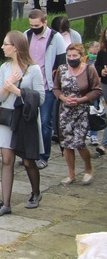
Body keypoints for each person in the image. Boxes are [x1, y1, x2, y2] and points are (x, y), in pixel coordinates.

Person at [0, 31, 45, 217]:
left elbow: (41, 98)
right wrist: (8, 85)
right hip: (7, 117)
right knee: (7, 160)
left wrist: (18, 90)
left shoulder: (33, 69)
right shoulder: (5, 67)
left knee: (28, 160)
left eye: (6, 44)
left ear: (15, 46)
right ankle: (5, 203)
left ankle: (36, 193)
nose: (2, 47)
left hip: (26, 119)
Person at [53, 43, 102, 185]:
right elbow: (56, 88)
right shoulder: (62, 70)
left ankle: (88, 169)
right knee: (67, 143)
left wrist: (82, 99)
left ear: (81, 56)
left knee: (80, 142)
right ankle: (71, 173)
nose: (71, 58)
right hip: (65, 111)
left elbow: (97, 90)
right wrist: (63, 98)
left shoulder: (89, 70)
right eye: (69, 56)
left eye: (75, 56)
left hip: (81, 111)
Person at [25, 9, 66, 169]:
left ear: (44, 22)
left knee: (44, 122)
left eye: (37, 25)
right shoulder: (27, 35)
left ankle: (43, 156)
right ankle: (29, 152)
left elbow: (61, 62)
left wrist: (57, 84)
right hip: (29, 87)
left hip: (47, 86)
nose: (34, 28)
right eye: (31, 25)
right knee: (29, 122)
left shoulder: (56, 38)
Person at [94, 31, 107, 156]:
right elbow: (97, 66)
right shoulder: (102, 51)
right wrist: (102, 71)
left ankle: (103, 144)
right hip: (105, 84)